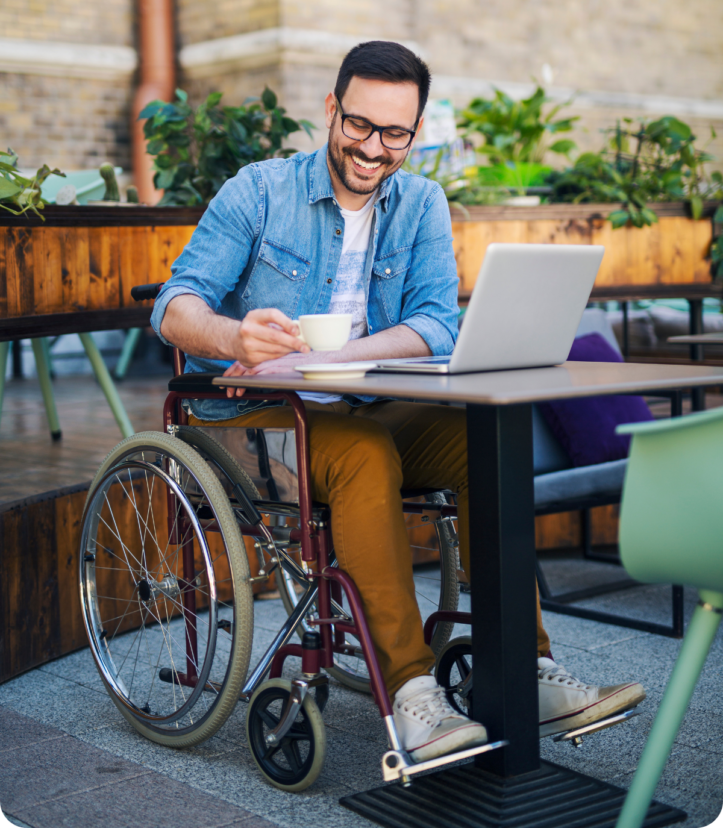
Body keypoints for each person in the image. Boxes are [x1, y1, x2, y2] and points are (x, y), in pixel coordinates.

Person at [151, 40, 645, 762]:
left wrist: (334, 359)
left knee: (485, 433)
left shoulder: (420, 202)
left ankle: (526, 668)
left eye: (394, 133)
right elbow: (174, 308)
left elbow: (438, 322)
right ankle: (413, 695)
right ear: (331, 110)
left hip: (362, 406)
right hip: (250, 422)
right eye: (359, 125)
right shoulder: (260, 191)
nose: (373, 148)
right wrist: (235, 336)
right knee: (360, 451)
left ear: (414, 133)